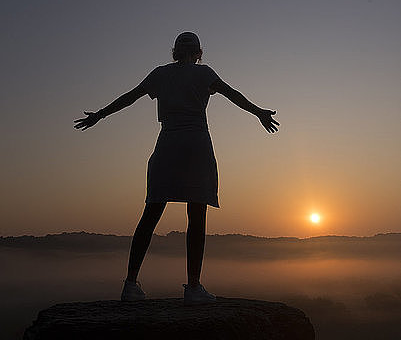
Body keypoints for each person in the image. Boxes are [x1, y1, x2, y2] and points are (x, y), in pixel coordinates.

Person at [74, 32, 279, 304]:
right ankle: (193, 287)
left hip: (167, 143)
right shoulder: (204, 74)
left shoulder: (160, 75)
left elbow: (129, 97)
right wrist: (259, 113)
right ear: (199, 53)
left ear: (174, 52)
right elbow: (233, 95)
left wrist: (99, 115)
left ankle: (130, 284)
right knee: (196, 216)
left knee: (151, 213)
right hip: (196, 143)